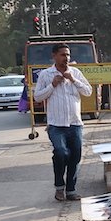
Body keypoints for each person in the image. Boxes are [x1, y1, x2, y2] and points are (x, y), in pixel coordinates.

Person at [33, 43, 93, 202]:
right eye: (62, 55)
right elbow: (38, 97)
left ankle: (71, 190)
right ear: (54, 56)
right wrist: (52, 85)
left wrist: (73, 80)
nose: (66, 58)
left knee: (75, 156)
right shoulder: (46, 75)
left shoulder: (75, 73)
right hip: (56, 124)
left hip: (75, 124)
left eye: (67, 55)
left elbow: (88, 92)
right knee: (61, 153)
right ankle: (59, 187)